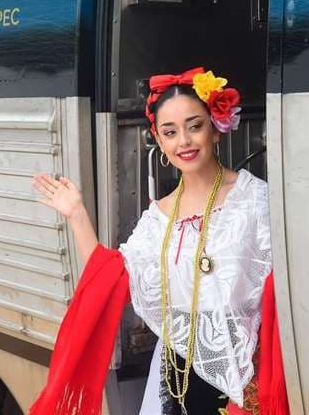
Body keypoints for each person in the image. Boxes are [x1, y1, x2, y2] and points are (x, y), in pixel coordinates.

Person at [30, 68, 281, 415]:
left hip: (251, 382)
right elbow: (113, 280)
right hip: (178, 381)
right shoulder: (158, 217)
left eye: (195, 126)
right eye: (170, 132)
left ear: (216, 128)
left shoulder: (255, 199)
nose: (184, 141)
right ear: (160, 142)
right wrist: (76, 214)